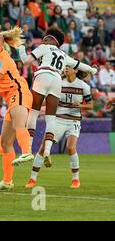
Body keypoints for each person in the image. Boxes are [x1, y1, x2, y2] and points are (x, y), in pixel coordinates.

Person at [17, 28, 97, 165]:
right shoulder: (64, 55)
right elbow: (80, 65)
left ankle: (27, 150)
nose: (43, 40)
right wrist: (92, 69)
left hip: (43, 75)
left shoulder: (44, 47)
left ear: (52, 40)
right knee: (50, 117)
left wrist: (21, 48)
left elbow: (25, 61)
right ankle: (47, 150)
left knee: (33, 112)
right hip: (57, 80)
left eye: (46, 38)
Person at [0, 28, 33, 191]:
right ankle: (7, 181)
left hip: (19, 92)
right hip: (11, 98)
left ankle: (27, 151)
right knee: (5, 142)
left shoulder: (1, 57)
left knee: (19, 125)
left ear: (3, 45)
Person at [25, 67, 92, 189]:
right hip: (58, 120)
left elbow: (91, 105)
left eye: (69, 67)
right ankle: (32, 179)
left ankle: (76, 180)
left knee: (70, 147)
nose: (66, 69)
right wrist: (35, 102)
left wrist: (80, 105)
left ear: (76, 71)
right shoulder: (58, 83)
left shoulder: (84, 86)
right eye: (65, 67)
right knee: (43, 148)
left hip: (74, 121)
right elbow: (48, 101)